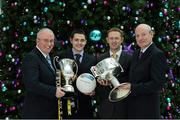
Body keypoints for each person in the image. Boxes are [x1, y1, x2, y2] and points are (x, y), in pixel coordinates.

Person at [125, 23, 168, 118]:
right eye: (137, 36)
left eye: (143, 34)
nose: (140, 38)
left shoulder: (157, 54)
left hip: (147, 109)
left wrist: (132, 88)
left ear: (151, 34)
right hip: (133, 107)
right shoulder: (136, 53)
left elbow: (157, 84)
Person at [21, 28, 65, 119]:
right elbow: (31, 84)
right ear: (37, 41)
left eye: (51, 41)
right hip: (37, 113)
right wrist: (54, 91)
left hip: (50, 112)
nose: (49, 44)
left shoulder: (51, 58)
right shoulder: (31, 57)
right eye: (46, 40)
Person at [57, 29, 96, 119]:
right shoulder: (61, 56)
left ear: (86, 42)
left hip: (85, 104)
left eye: (82, 40)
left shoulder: (92, 59)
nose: (79, 43)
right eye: (76, 40)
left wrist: (93, 91)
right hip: (66, 103)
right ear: (71, 40)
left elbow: (95, 79)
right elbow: (56, 78)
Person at [96, 27, 132, 118]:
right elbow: (97, 79)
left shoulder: (130, 58)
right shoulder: (100, 58)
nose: (114, 41)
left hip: (124, 105)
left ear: (121, 40)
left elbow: (132, 79)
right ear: (107, 40)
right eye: (111, 38)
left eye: (116, 38)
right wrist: (100, 81)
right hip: (106, 105)